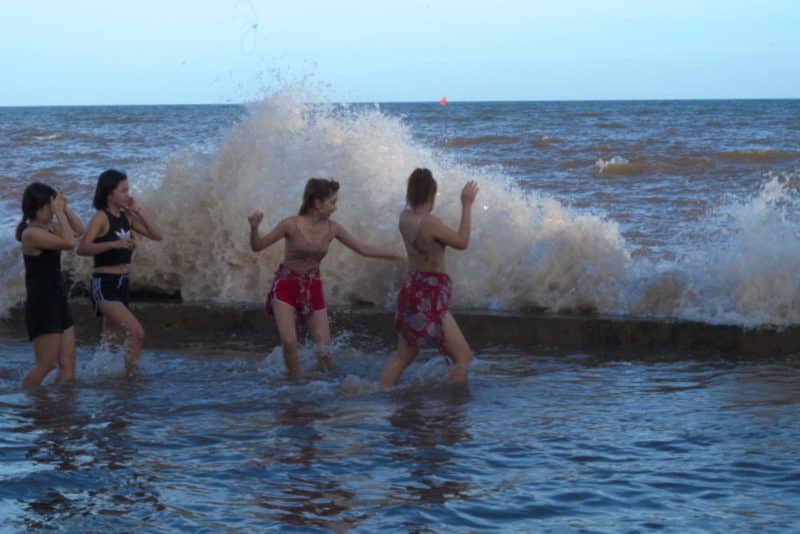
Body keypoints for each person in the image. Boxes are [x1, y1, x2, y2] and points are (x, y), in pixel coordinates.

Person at [248, 178, 403, 379]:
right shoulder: (290, 225)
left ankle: (327, 385)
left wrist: (398, 255)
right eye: (332, 202)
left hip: (312, 288)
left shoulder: (333, 229)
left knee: (324, 349)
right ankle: (295, 386)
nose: (335, 208)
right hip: (286, 286)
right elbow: (258, 246)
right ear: (317, 203)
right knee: (289, 343)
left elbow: (363, 249)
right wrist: (254, 228)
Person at [379, 168, 479, 387]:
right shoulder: (430, 223)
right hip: (430, 295)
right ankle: (454, 403)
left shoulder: (404, 218)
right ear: (430, 195)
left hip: (412, 288)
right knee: (463, 357)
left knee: (403, 356)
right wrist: (467, 204)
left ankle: (379, 393)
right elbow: (462, 242)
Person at [77, 169, 162, 377]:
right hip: (104, 284)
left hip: (122, 283)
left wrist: (138, 211)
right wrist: (113, 244)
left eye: (128, 190)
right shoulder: (101, 217)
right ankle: (129, 379)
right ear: (109, 194)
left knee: (111, 343)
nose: (128, 195)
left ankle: (98, 377)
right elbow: (83, 248)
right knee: (136, 332)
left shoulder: (126, 218)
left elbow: (157, 235)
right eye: (123, 191)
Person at [17, 183, 84, 389]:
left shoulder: (50, 228)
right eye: (50, 207)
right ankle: (24, 399)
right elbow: (69, 243)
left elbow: (79, 231)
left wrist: (64, 209)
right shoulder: (31, 234)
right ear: (38, 208)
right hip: (42, 304)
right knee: (46, 364)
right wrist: (59, 212)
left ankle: (61, 408)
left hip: (58, 299)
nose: (53, 212)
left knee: (68, 363)